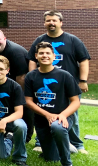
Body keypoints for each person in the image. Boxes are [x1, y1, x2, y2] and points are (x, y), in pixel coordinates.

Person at [27, 10, 90, 154]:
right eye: (48, 20)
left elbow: (84, 60)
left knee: (71, 115)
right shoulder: (39, 40)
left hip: (68, 85)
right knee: (43, 112)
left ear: (61, 22)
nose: (51, 23)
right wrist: (32, 77)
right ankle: (40, 142)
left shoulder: (72, 40)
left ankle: (76, 143)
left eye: (54, 20)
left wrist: (83, 80)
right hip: (45, 85)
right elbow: (31, 59)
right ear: (44, 23)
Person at [25, 42, 81, 166]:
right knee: (51, 158)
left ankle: (67, 165)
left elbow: (75, 101)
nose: (44, 56)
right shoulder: (31, 76)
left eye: (48, 53)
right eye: (41, 53)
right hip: (42, 120)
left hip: (63, 118)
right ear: (36, 56)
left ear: (54, 56)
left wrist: (62, 115)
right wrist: (47, 115)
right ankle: (65, 144)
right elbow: (28, 101)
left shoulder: (64, 75)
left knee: (57, 126)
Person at [0, 29, 32, 142]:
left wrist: (17, 96)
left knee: (24, 105)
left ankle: (27, 136)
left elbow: (21, 77)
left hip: (20, 84)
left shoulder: (16, 51)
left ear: (4, 38)